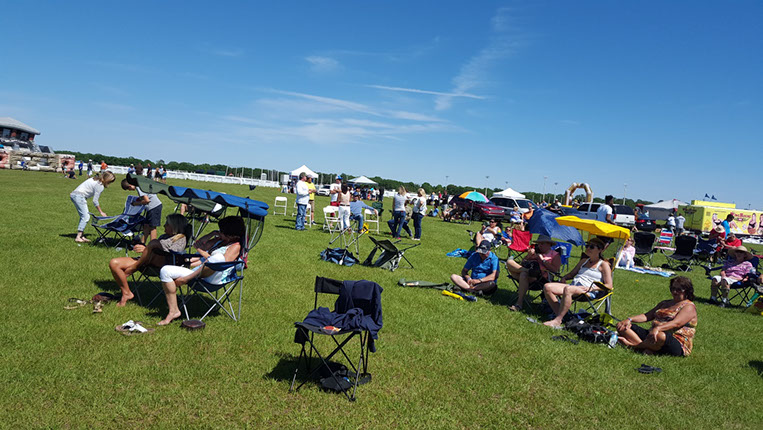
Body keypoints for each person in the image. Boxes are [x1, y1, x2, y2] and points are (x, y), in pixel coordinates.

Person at [158, 216, 245, 325]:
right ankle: (174, 311)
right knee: (165, 271)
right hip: (200, 272)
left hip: (216, 277)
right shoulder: (219, 241)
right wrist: (211, 234)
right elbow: (198, 244)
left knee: (218, 258)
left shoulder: (236, 246)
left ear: (231, 234)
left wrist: (202, 253)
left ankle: (186, 279)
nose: (219, 232)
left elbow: (223, 264)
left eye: (221, 231)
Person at [108, 214, 190, 306]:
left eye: (167, 224)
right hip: (146, 261)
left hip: (163, 266)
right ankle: (126, 293)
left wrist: (148, 248)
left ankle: (134, 267)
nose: (164, 225)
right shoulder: (164, 236)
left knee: (154, 242)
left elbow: (173, 253)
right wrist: (147, 249)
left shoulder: (181, 238)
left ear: (174, 226)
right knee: (114, 263)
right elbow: (155, 247)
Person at [616, 276, 697, 356]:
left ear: (687, 291)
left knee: (660, 336)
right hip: (653, 334)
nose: (674, 292)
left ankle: (632, 346)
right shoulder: (665, 303)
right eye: (672, 289)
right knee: (622, 326)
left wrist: (658, 328)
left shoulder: (689, 307)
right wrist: (629, 319)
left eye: (679, 290)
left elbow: (676, 323)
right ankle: (645, 348)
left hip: (676, 341)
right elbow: (647, 316)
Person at [542, 237, 613, 327]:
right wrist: (564, 278)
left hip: (588, 291)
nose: (588, 248)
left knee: (568, 289)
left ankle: (558, 320)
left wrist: (592, 288)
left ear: (600, 250)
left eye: (591, 247)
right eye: (587, 246)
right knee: (547, 287)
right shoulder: (584, 261)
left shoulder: (603, 264)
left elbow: (609, 285)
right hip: (573, 286)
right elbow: (572, 274)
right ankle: (564, 316)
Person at [506, 235, 561, 311]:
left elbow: (555, 270)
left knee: (523, 274)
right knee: (510, 262)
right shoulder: (535, 252)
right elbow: (523, 263)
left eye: (542, 243)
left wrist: (542, 260)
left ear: (549, 244)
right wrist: (528, 256)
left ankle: (519, 303)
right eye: (539, 243)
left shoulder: (555, 255)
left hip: (540, 279)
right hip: (527, 274)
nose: (540, 245)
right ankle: (527, 270)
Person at [69, 171, 116, 243]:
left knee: (83, 216)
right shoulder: (100, 185)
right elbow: (95, 201)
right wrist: (101, 212)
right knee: (86, 217)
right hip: (79, 196)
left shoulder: (94, 179)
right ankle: (78, 237)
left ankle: (81, 236)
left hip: (75, 194)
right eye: (110, 181)